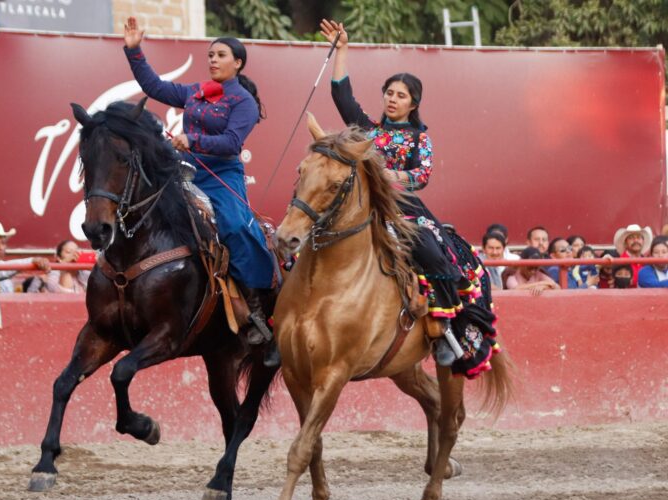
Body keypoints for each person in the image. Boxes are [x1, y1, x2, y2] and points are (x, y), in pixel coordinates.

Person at [319, 19, 497, 376]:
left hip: (404, 207)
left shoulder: (419, 139)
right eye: (389, 92)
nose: (392, 99)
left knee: (430, 249)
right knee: (312, 236)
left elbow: (422, 175)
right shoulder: (367, 130)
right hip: (364, 203)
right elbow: (341, 95)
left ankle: (443, 330)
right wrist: (342, 50)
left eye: (400, 95)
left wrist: (390, 176)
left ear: (413, 103)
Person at [123, 17, 277, 346]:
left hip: (221, 174)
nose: (213, 60)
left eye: (220, 55)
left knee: (235, 227)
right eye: (210, 55)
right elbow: (154, 87)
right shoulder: (195, 92)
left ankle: (255, 306)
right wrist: (134, 50)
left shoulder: (244, 102)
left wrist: (193, 140)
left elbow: (232, 142)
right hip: (184, 169)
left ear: (238, 63)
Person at [0, 221, 50, 293]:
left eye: (3, 243)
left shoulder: (4, 272)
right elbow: (0, 269)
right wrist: (32, 260)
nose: (0, 248)